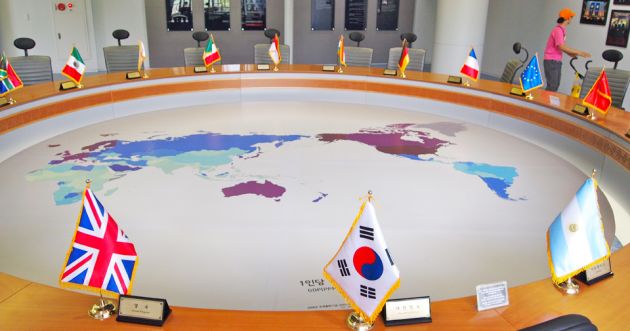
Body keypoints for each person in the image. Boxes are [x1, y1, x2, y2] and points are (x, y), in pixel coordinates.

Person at [543, 8, 591, 92]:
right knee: (552, 86)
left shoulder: (561, 30)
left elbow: (560, 47)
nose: (571, 19)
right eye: (571, 17)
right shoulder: (558, 30)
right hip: (551, 61)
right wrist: (579, 52)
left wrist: (570, 54)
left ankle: (546, 103)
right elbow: (561, 46)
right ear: (567, 18)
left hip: (555, 61)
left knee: (555, 85)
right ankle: (543, 103)